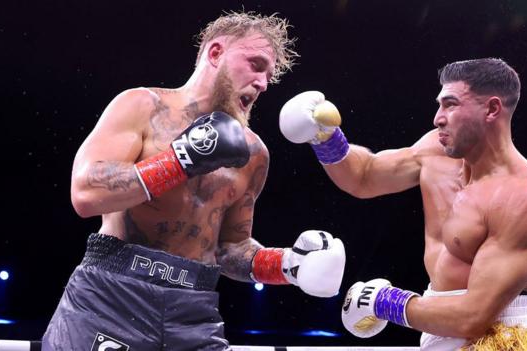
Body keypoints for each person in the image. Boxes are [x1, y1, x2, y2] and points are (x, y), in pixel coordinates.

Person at [42, 11, 346, 351]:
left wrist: (288, 265)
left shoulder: (254, 153)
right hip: (112, 294)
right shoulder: (143, 105)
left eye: (268, 75)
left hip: (193, 310)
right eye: (256, 64)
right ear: (215, 54)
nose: (262, 82)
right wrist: (181, 160)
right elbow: (86, 192)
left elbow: (231, 249)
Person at [279, 58, 527, 350]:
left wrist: (385, 302)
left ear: (491, 109)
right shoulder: (435, 150)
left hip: (498, 335)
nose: (438, 117)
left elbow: (473, 317)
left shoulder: (526, 197)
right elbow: (364, 177)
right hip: (435, 323)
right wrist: (325, 137)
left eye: (451, 104)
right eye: (439, 104)